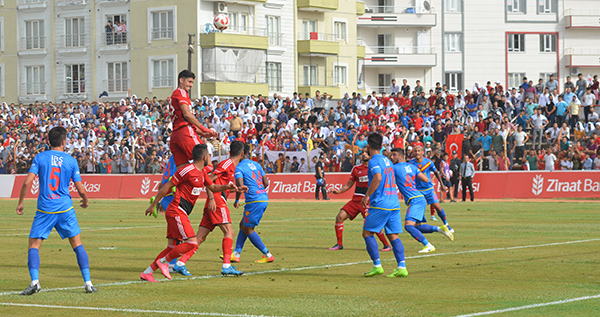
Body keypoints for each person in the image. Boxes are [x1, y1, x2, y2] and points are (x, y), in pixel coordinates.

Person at [16, 126, 97, 295]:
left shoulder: (40, 157)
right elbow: (81, 189)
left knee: (34, 245)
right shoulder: (71, 160)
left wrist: (21, 202)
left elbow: (26, 183)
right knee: (77, 244)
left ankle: (35, 282)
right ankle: (88, 283)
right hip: (65, 208)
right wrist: (86, 201)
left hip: (45, 209)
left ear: (48, 141)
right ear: (64, 141)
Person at [141, 144, 238, 282]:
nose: (209, 158)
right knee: (192, 242)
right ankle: (164, 262)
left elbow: (213, 187)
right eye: (209, 156)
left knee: (172, 246)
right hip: (177, 210)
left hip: (181, 212)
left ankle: (147, 273)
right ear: (205, 157)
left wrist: (227, 187)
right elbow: (167, 186)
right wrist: (153, 204)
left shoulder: (202, 173)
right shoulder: (186, 170)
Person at [193, 141, 248, 276]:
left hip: (216, 199)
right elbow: (209, 179)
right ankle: (226, 266)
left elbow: (222, 186)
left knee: (199, 237)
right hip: (217, 201)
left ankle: (177, 262)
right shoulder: (227, 164)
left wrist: (237, 190)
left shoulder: (232, 166)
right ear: (242, 154)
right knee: (229, 231)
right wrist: (211, 198)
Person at [360, 133, 408, 278]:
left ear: (368, 146)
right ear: (381, 146)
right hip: (394, 202)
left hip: (381, 203)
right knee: (393, 235)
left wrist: (367, 195)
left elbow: (378, 177)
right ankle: (402, 267)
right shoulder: (387, 160)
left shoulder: (374, 161)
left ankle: (377, 266)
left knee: (367, 233)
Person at [390, 148, 453, 253]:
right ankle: (441, 229)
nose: (392, 157)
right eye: (391, 155)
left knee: (408, 226)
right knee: (417, 227)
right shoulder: (411, 166)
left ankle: (428, 245)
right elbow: (426, 179)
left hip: (415, 199)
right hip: (420, 198)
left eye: (394, 155)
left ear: (401, 156)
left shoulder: (394, 168)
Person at [327, 148, 391, 252]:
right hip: (356, 200)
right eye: (363, 153)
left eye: (366, 153)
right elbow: (349, 185)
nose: (364, 155)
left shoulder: (375, 168)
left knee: (372, 224)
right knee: (339, 217)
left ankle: (386, 245)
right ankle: (339, 244)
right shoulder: (356, 169)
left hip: (368, 201)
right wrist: (338, 191)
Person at [232, 144, 274, 263]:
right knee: (243, 225)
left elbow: (240, 186)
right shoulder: (257, 165)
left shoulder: (239, 167)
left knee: (248, 229)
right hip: (263, 197)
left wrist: (236, 200)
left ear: (240, 153)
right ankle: (236, 254)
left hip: (254, 200)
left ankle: (267, 254)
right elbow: (266, 183)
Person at [169, 70, 217, 169]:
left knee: (183, 172)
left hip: (176, 135)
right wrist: (205, 129)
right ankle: (210, 184)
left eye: (192, 83)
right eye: (189, 82)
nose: (191, 85)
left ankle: (165, 185)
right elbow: (187, 115)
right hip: (184, 132)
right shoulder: (181, 92)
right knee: (206, 161)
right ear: (181, 80)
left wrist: (204, 134)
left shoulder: (175, 94)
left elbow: (184, 119)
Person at [408, 146, 453, 232]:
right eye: (415, 151)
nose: (417, 153)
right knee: (419, 209)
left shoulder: (428, 162)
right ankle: (419, 227)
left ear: (422, 152)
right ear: (413, 153)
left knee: (437, 206)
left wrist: (442, 184)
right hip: (417, 190)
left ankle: (446, 224)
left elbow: (436, 172)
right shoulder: (410, 164)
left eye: (419, 151)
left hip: (428, 189)